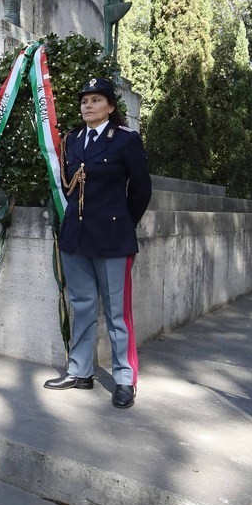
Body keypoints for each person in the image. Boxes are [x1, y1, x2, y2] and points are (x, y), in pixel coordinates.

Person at [44, 76, 152, 409]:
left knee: (118, 313)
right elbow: (66, 187)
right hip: (77, 238)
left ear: (110, 106)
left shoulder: (125, 140)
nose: (87, 105)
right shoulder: (72, 141)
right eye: (84, 101)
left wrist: (122, 224)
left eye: (95, 100)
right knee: (83, 306)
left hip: (113, 238)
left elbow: (141, 190)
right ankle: (80, 371)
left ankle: (124, 378)